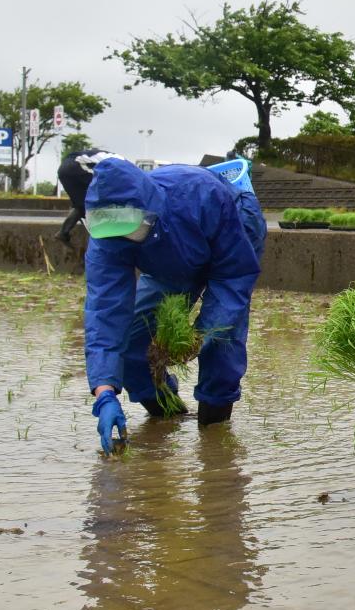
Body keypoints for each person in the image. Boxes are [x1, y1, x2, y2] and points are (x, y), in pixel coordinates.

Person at [83, 157, 267, 446]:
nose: (124, 239)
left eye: (130, 230)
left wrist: (201, 334)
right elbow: (105, 310)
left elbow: (233, 277)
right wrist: (104, 392)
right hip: (166, 258)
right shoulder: (108, 235)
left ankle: (214, 437)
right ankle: (168, 421)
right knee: (135, 341)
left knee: (222, 341)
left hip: (231, 225)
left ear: (149, 213)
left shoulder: (202, 196)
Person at [55, 145, 116, 242]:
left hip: (63, 170)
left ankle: (63, 232)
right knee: (95, 200)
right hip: (76, 167)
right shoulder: (120, 161)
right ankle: (99, 236)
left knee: (81, 203)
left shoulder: (97, 155)